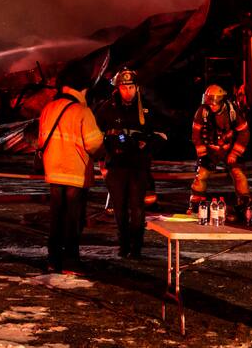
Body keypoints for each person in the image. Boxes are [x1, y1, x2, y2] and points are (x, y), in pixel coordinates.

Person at [94, 68, 165, 259]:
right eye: (124, 87)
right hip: (115, 165)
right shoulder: (106, 109)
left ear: (137, 87)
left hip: (138, 166)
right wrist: (103, 162)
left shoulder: (147, 109)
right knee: (119, 209)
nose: (128, 91)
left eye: (131, 87)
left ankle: (136, 247)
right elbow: (95, 137)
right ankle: (123, 244)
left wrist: (146, 146)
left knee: (137, 208)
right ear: (118, 88)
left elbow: (162, 136)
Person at [38, 72, 104, 273]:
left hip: (54, 173)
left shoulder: (48, 109)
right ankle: (70, 261)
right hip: (75, 173)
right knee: (73, 220)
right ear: (82, 90)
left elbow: (41, 141)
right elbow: (95, 145)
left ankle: (53, 259)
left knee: (56, 217)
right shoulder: (82, 111)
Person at [188, 83, 251, 215]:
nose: (211, 106)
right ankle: (195, 204)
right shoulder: (202, 112)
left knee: (238, 174)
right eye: (209, 103)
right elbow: (196, 135)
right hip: (210, 151)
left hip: (229, 149)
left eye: (214, 104)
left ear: (221, 101)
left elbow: (244, 133)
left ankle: (244, 204)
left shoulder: (233, 111)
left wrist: (234, 153)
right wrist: (203, 155)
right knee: (201, 174)